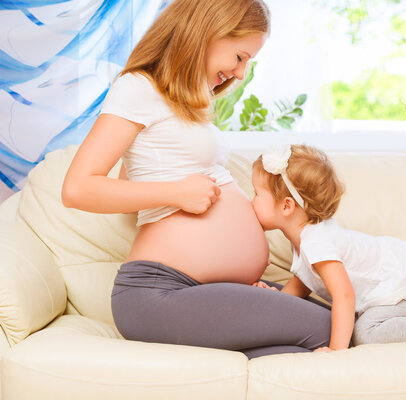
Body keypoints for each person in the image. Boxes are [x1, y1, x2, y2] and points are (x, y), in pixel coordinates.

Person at [61, 0, 332, 359]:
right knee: (331, 327)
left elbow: (136, 176)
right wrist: (176, 193)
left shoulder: (188, 101)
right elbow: (77, 188)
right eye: (239, 57)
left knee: (338, 317)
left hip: (201, 291)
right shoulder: (138, 87)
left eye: (248, 62)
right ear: (208, 30)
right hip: (160, 293)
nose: (240, 73)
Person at [250, 144, 406, 352]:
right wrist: (272, 299)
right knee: (365, 321)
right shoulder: (307, 238)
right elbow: (303, 284)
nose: (251, 201)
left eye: (257, 194)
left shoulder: (317, 242)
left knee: (365, 333)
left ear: (286, 206)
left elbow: (344, 296)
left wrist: (337, 352)